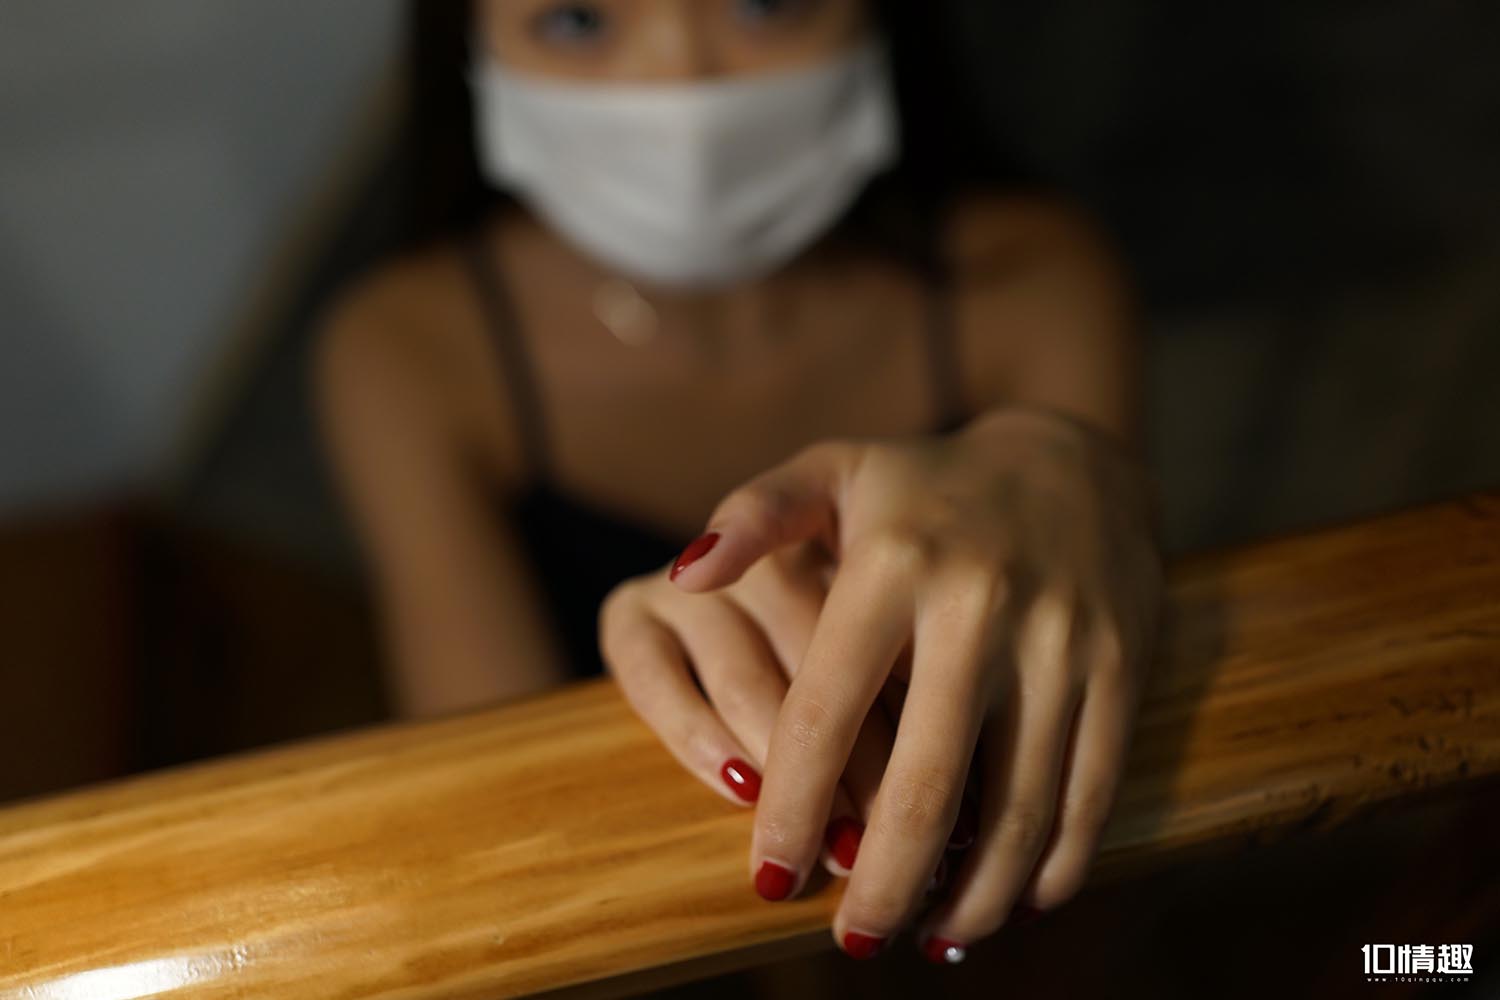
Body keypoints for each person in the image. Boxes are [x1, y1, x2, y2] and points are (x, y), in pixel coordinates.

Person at [315, 0, 1163, 967]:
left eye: (768, 1)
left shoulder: (1033, 277)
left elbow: (1079, 739)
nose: (682, 78)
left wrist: (1073, 480)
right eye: (578, 22)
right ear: (465, 44)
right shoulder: (408, 351)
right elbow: (494, 814)